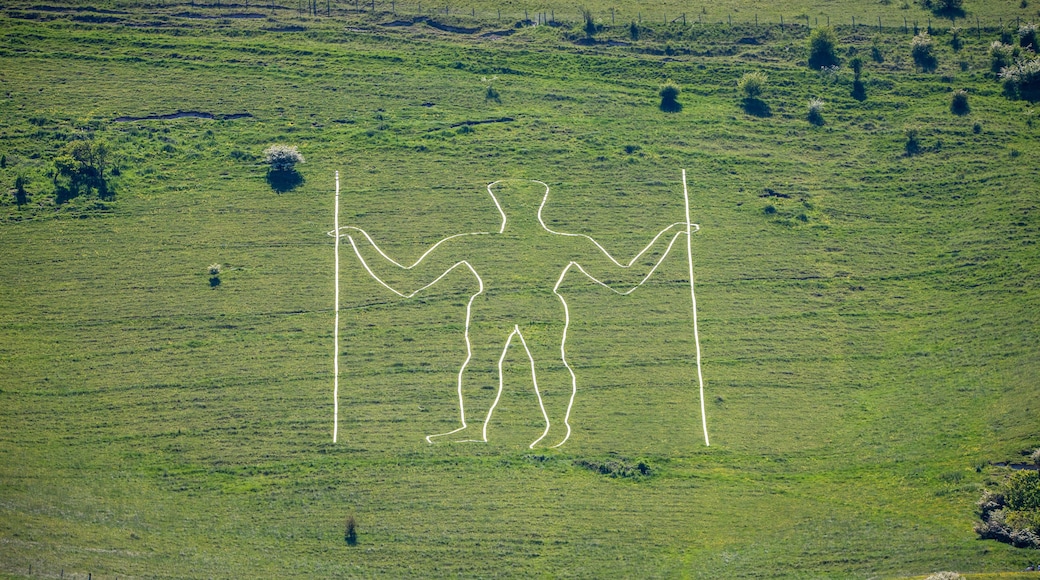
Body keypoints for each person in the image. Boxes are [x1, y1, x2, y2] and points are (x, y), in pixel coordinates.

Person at [333, 179, 693, 448]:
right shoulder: (485, 242)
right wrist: (356, 237)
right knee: (482, 363)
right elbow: (408, 282)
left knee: (545, 362)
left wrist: (672, 234)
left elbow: (623, 279)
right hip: (498, 306)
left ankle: (553, 427)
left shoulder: (554, 243)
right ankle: (475, 428)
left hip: (533, 305)